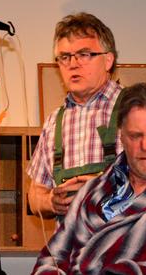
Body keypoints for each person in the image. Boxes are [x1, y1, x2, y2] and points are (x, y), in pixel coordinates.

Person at [32, 82, 146, 274]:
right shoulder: (91, 190)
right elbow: (52, 257)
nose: (145, 146)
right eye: (135, 136)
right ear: (121, 136)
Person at [27, 12, 123, 219]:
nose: (73, 64)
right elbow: (34, 195)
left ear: (108, 60)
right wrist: (51, 200)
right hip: (70, 240)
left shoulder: (135, 108)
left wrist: (104, 190)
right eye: (65, 57)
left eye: (84, 54)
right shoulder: (54, 122)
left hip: (123, 239)